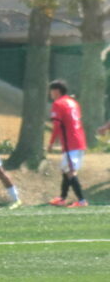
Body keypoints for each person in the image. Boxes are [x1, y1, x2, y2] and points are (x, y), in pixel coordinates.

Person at [48, 80, 88, 208]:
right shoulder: (73, 102)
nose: (50, 93)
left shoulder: (58, 103)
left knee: (70, 171)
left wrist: (51, 143)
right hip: (78, 140)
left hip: (71, 143)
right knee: (65, 170)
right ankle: (62, 198)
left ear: (57, 91)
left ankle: (82, 201)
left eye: (51, 90)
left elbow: (57, 125)